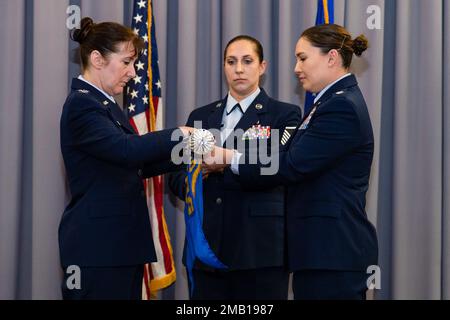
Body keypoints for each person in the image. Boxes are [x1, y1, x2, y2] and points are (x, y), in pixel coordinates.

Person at [207, 24, 379, 300]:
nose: (296, 68)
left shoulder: (341, 106)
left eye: (302, 58)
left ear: (331, 58)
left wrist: (229, 157)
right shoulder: (329, 102)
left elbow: (291, 164)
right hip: (319, 252)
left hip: (331, 252)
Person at [59, 17, 191, 300]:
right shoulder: (83, 105)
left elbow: (137, 164)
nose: (133, 72)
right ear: (97, 58)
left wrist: (187, 154)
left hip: (118, 245)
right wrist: (178, 134)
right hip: (97, 248)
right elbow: (127, 150)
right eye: (126, 62)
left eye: (134, 63)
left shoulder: (104, 104)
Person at [169, 35, 302, 299]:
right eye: (231, 62)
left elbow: (274, 166)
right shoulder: (200, 116)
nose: (238, 69)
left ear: (262, 67)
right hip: (207, 247)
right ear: (224, 67)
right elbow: (176, 176)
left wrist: (223, 163)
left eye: (247, 61)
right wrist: (198, 175)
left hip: (259, 251)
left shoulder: (284, 114)